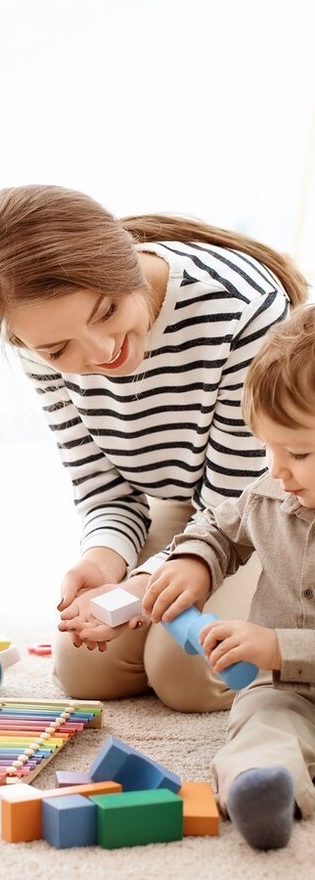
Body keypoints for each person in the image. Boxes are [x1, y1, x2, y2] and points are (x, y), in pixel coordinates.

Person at [0, 184, 308, 712]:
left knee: (188, 672)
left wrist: (144, 584)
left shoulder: (240, 307)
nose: (101, 353)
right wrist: (105, 561)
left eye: (107, 312)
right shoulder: (38, 343)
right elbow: (104, 489)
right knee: (86, 666)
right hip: (181, 501)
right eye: (58, 348)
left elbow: (237, 501)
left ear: (126, 265)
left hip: (264, 506)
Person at [140, 305, 315, 849]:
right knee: (260, 723)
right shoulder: (271, 494)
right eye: (267, 446)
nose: (277, 468)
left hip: (285, 661)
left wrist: (277, 645)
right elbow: (219, 527)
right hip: (288, 691)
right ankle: (263, 790)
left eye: (299, 451)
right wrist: (194, 559)